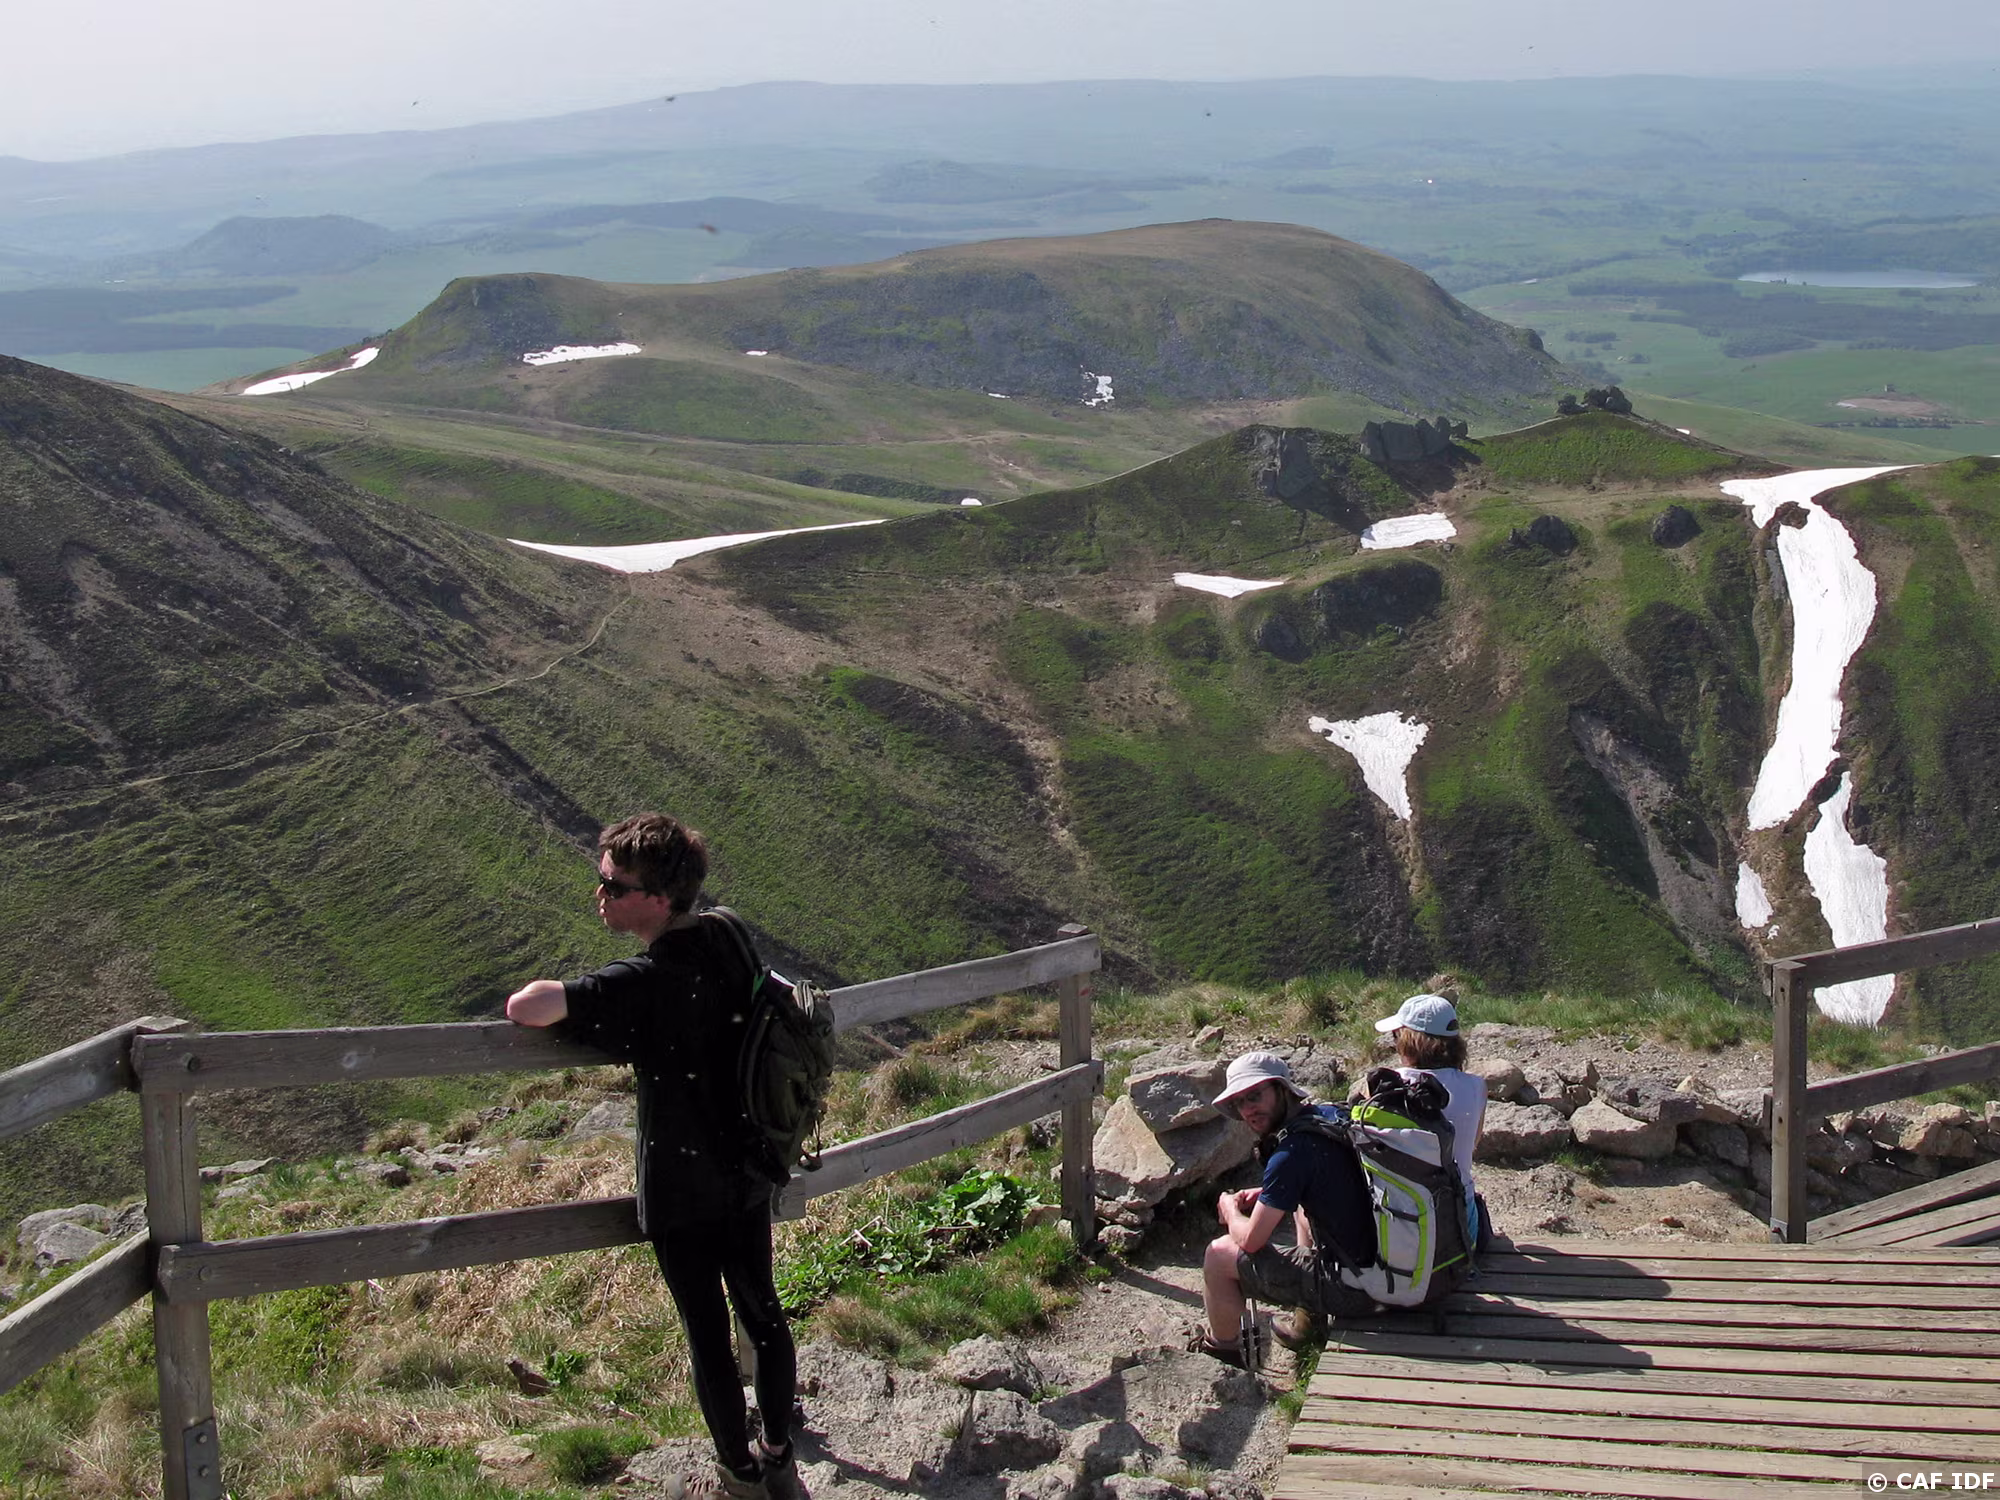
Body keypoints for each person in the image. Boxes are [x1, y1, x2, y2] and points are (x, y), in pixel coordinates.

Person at [506, 813, 797, 1500]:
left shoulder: (646, 980)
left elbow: (530, 1007)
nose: (600, 895)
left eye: (614, 885)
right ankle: (779, 1456)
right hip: (749, 1163)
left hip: (682, 1184)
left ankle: (740, 1475)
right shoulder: (728, 936)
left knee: (707, 1332)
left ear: (658, 899)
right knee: (762, 1312)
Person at [1193, 1051, 1380, 1365]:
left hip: (1358, 1290)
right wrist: (1270, 1193)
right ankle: (1308, 1323)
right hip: (1388, 1269)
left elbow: (1251, 1240)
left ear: (1282, 1089)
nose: (1248, 1110)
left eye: (1255, 1096)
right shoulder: (1330, 1117)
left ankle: (1221, 1354)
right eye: (1239, 1102)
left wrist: (1229, 1209)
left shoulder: (1290, 1153)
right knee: (1300, 1209)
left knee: (1218, 1255)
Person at [1373, 993, 1487, 1247]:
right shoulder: (1476, 1086)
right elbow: (1472, 1144)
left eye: (1396, 1036)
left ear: (1409, 1041)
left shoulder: (1385, 1085)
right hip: (1460, 1229)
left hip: (1400, 1223)